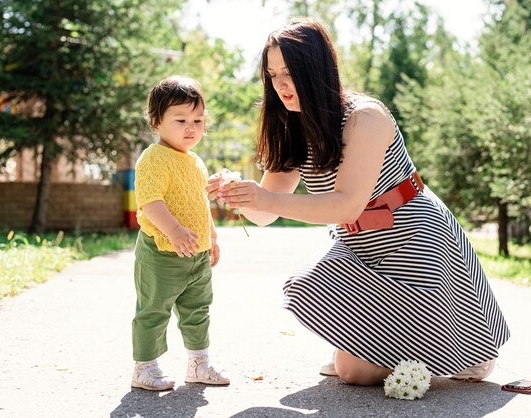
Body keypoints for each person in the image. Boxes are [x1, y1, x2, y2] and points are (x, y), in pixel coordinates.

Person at [207, 18, 510, 386]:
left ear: (316, 68)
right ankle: (392, 349)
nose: (281, 84)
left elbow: (347, 205)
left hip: (413, 239)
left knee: (351, 371)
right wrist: (240, 194)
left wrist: (265, 196)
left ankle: (459, 352)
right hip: (359, 245)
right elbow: (265, 214)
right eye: (272, 74)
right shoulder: (292, 126)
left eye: (289, 71)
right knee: (304, 287)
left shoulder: (365, 116)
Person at [131, 75, 230, 391]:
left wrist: (211, 237)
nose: (191, 127)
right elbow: (150, 200)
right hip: (161, 252)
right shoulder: (154, 157)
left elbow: (200, 202)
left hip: (196, 255)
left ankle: (198, 363)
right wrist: (173, 229)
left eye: (198, 120)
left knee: (198, 310)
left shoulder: (196, 161)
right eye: (181, 119)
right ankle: (144, 368)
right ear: (157, 121)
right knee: (153, 311)